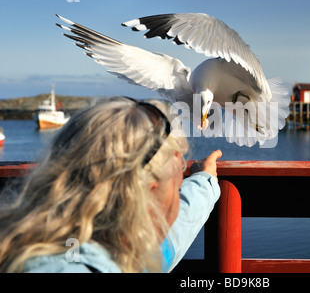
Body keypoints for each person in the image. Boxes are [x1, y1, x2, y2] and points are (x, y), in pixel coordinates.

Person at [0, 97, 222, 273]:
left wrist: (204, 182)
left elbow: (169, 237)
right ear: (147, 193)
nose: (178, 183)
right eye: (177, 174)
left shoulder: (121, 256)